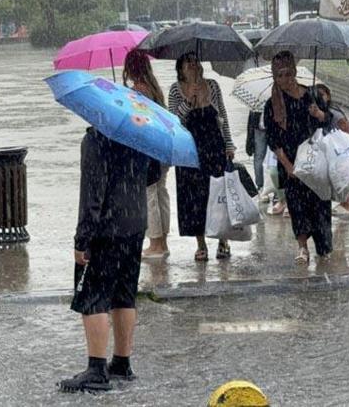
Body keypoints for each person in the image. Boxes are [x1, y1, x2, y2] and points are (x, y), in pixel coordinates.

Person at [59, 127, 160, 392]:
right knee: (124, 295)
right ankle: (122, 363)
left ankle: (96, 370)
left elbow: (92, 194)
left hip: (107, 227)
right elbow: (154, 174)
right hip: (135, 222)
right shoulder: (139, 134)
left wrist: (82, 239)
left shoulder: (95, 139)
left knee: (93, 298)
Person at [264, 51, 333, 264]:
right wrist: (288, 165)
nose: (285, 79)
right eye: (279, 76)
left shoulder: (313, 95)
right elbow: (273, 139)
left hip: (316, 159)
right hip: (291, 161)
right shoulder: (272, 104)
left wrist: (319, 114)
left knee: (321, 205)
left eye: (287, 74)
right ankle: (302, 247)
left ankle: (324, 248)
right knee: (297, 205)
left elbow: (329, 121)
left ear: (294, 72)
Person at [168, 52, 236, 262]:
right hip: (188, 150)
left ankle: (223, 240)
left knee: (217, 194)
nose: (193, 66)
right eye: (188, 63)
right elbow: (174, 120)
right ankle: (201, 243)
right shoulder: (175, 90)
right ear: (180, 68)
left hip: (214, 147)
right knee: (194, 198)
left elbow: (222, 116)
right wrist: (189, 101)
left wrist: (229, 143)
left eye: (196, 61)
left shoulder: (213, 85)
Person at [122, 48, 169, 259]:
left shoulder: (138, 91)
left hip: (147, 151)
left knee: (149, 196)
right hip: (162, 148)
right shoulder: (155, 88)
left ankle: (156, 244)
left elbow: (137, 123)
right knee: (161, 193)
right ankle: (163, 241)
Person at [315, 83, 349, 217]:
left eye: (321, 95)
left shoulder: (333, 112)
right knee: (335, 176)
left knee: (338, 176)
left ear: (328, 95)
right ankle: (345, 203)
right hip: (334, 148)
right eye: (316, 95)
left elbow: (348, 131)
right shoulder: (321, 110)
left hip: (341, 148)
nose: (319, 98)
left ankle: (347, 204)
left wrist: (342, 148)